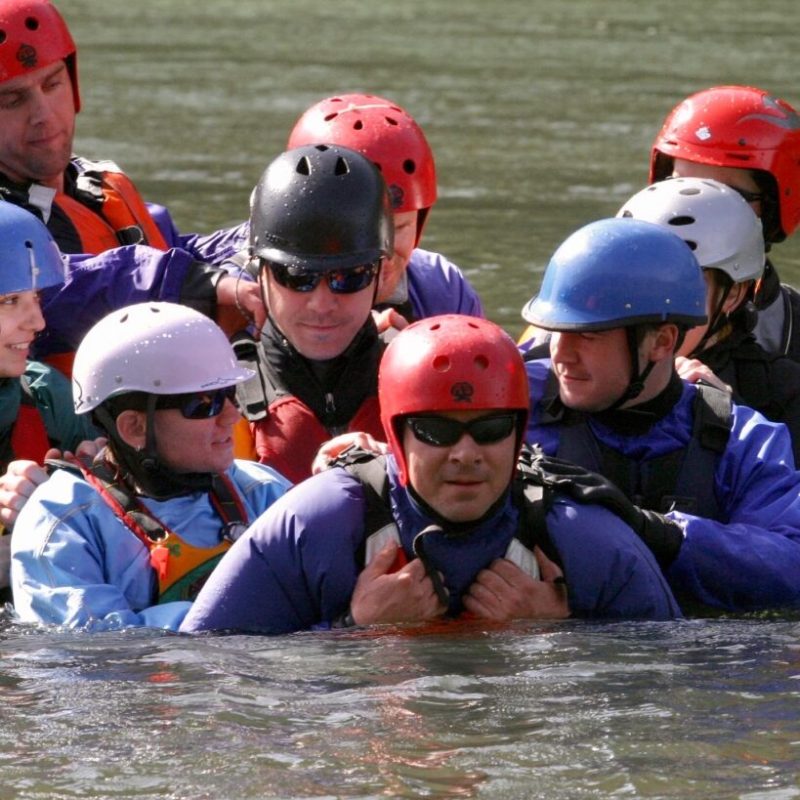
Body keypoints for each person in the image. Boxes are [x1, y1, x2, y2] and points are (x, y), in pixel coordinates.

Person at [180, 314, 680, 635]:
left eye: (490, 428)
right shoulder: (314, 524)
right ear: (396, 437)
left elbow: (670, 688)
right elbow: (207, 674)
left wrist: (556, 634)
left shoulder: (585, 538)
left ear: (519, 432)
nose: (466, 453)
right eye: (437, 431)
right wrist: (356, 628)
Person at [521, 217, 800, 614]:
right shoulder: (506, 397)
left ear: (662, 341)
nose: (561, 354)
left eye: (589, 335)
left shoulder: (744, 439)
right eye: (556, 331)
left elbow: (791, 566)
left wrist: (660, 533)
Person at [0, 0, 259, 374]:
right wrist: (193, 283)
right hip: (79, 426)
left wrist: (270, 236)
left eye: (52, 84)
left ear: (73, 86)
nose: (43, 114)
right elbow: (58, 287)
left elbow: (174, 250)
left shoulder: (90, 184)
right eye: (13, 99)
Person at [10, 302, 291, 630]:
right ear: (134, 428)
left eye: (231, 394)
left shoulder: (262, 491)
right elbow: (89, 657)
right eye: (205, 404)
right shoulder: (64, 521)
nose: (232, 416)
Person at [232, 143, 394, 482]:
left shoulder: (419, 384)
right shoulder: (214, 398)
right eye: (296, 276)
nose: (321, 304)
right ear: (258, 271)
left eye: (350, 277)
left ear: (383, 273)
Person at [616, 177, 800, 460]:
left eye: (680, 284)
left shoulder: (781, 393)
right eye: (635, 281)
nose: (648, 306)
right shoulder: (565, 350)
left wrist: (728, 415)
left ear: (732, 295)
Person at [286, 92, 483, 328]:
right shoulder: (243, 288)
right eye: (362, 230)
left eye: (400, 227)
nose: (383, 253)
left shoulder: (443, 290)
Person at [650, 85, 800, 362]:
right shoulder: (588, 291)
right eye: (681, 183)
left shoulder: (791, 331)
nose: (694, 204)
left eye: (726, 193)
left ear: (771, 207)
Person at [0, 203, 98, 601]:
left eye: (35, 298)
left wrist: (99, 482)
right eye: (9, 301)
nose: (37, 322)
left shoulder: (42, 394)